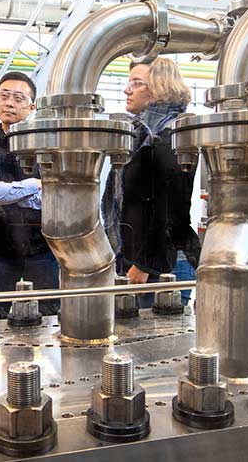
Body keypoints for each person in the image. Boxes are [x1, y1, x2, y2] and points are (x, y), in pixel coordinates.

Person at [102, 57, 201, 307]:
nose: (127, 90)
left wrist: (145, 263)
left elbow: (169, 207)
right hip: (135, 256)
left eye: (137, 83)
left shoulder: (174, 135)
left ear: (160, 87)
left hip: (159, 264)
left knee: (153, 343)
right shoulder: (140, 135)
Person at [0, 71, 60, 318]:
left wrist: (9, 192)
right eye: (4, 96)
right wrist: (34, 184)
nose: (9, 103)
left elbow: (54, 196)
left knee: (51, 318)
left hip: (42, 249)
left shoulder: (46, 148)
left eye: (18, 98)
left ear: (32, 106)